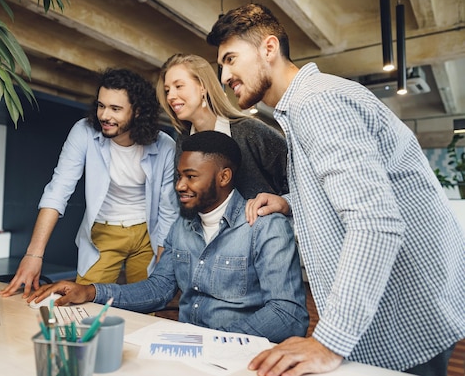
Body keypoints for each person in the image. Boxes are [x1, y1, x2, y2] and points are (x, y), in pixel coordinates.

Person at [207, 3, 465, 376]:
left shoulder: (316, 103)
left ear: (268, 48)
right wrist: (289, 202)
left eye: (230, 59)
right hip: (396, 306)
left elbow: (375, 222)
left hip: (406, 310)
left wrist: (328, 341)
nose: (225, 74)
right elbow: (360, 192)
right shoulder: (306, 104)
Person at [28, 131, 309, 343]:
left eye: (191, 177)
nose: (179, 186)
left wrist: (215, 342)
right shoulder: (181, 227)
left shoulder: (266, 227)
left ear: (224, 177)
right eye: (178, 176)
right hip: (186, 354)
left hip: (239, 359)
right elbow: (159, 289)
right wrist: (91, 291)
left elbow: (289, 315)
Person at [0, 68, 178, 298]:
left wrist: (163, 268)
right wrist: (34, 254)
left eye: (115, 108)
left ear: (138, 112)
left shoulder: (164, 145)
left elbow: (168, 210)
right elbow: (58, 190)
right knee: (83, 304)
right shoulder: (84, 132)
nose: (104, 115)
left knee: (147, 304)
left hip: (148, 234)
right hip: (103, 232)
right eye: (101, 105)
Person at [157, 53, 288, 198]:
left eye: (179, 86)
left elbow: (296, 176)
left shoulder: (250, 131)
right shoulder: (183, 141)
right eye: (167, 90)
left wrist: (282, 203)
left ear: (203, 87)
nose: (170, 96)